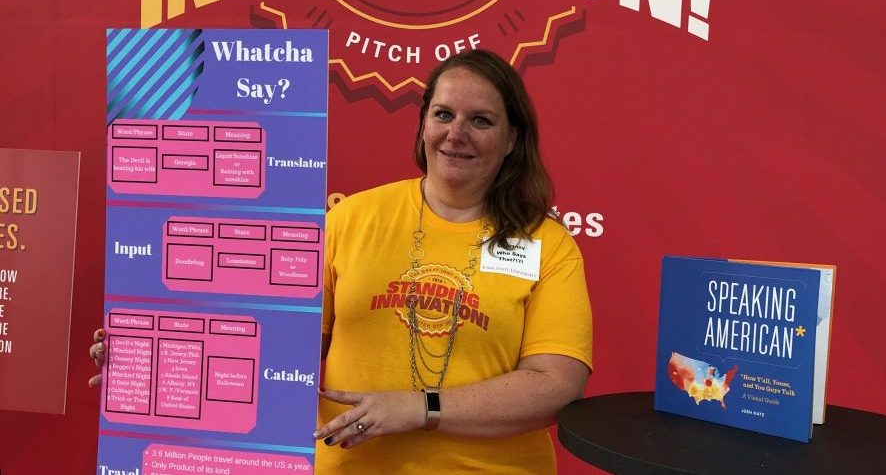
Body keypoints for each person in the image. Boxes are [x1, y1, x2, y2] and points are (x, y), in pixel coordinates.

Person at [92, 49, 592, 474]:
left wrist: (419, 409)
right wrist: (156, 356)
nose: (456, 133)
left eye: (480, 120)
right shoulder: (350, 218)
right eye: (443, 114)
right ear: (422, 126)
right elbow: (278, 350)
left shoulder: (547, 243)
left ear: (511, 140)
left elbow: (555, 385)